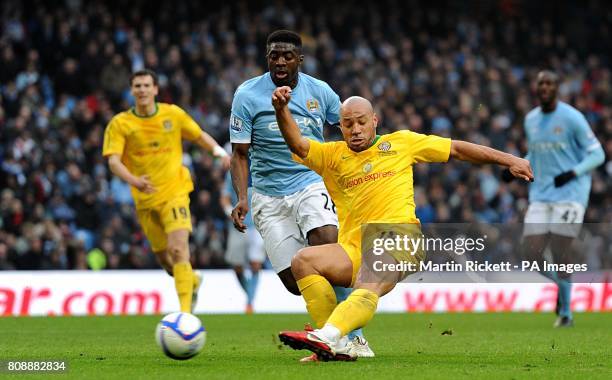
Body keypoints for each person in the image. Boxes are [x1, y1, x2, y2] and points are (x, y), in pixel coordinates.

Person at [271, 87, 534, 360]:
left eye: (362, 122)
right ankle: (336, 344)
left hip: (399, 238)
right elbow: (298, 145)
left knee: (368, 280)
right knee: (303, 261)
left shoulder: (402, 143)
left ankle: (327, 335)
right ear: (340, 126)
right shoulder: (332, 155)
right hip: (353, 247)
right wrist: (281, 110)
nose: (356, 129)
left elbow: (455, 148)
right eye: (348, 124)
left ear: (375, 121)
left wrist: (510, 160)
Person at [229, 30, 372, 358]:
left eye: (287, 56)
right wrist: (242, 197)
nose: (280, 61)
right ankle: (335, 337)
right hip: (267, 195)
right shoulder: (247, 94)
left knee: (327, 244)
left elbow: (350, 128)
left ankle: (352, 337)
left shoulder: (319, 92)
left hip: (311, 182)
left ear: (299, 60)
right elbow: (239, 154)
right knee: (296, 280)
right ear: (267, 58)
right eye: (274, 56)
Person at [103, 69, 230, 313]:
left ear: (155, 89)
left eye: (146, 85)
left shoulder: (172, 115)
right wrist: (134, 180)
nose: (142, 90)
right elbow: (113, 161)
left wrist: (218, 152)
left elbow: (198, 136)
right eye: (137, 86)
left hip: (175, 192)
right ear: (132, 91)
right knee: (167, 261)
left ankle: (185, 316)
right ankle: (191, 280)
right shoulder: (120, 124)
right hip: (145, 199)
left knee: (178, 249)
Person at [515, 70, 604, 327]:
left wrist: (572, 173)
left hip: (571, 193)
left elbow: (597, 154)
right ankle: (560, 286)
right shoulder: (531, 119)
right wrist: (517, 165)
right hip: (541, 194)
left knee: (560, 250)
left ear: (557, 88)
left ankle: (566, 314)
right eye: (540, 82)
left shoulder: (572, 118)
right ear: (536, 88)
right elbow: (534, 151)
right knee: (529, 252)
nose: (544, 87)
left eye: (549, 83)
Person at [220, 169, 265, 314]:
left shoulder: (261, 168)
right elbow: (225, 197)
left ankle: (250, 303)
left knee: (255, 264)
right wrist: (230, 212)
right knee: (237, 267)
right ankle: (249, 295)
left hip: (258, 225)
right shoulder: (232, 173)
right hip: (237, 225)